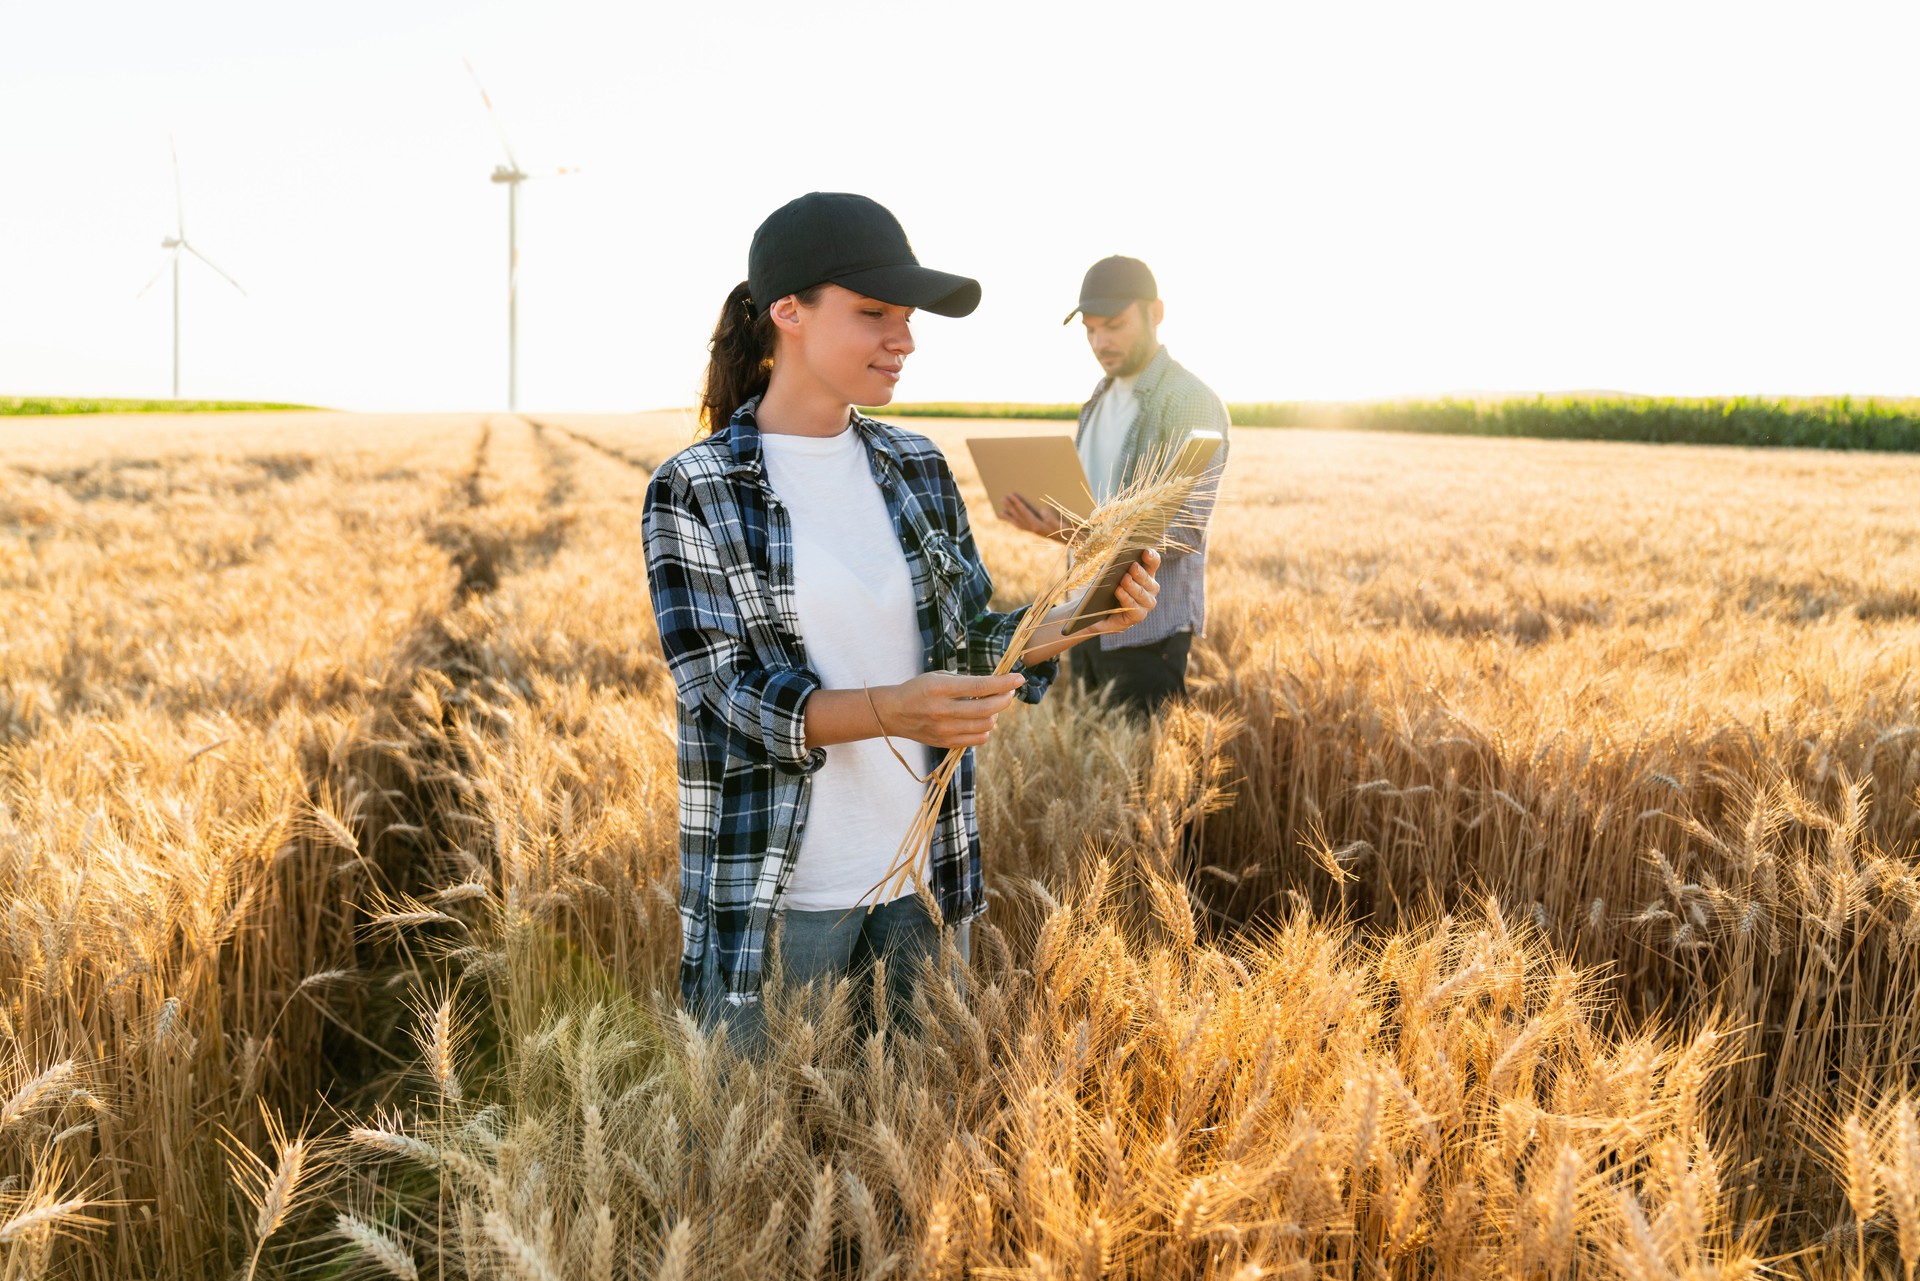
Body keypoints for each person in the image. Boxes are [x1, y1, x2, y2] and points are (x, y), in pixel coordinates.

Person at [642, 193, 1162, 1050]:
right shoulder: (695, 487)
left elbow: (966, 644)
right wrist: (893, 710)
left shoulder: (915, 464)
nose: (905, 339)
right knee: (766, 1165)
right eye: (874, 313)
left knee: (916, 1165)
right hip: (782, 896)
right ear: (789, 314)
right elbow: (724, 696)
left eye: (909, 318)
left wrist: (1080, 614)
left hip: (925, 878)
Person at [997, 255, 1229, 717]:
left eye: (1115, 326)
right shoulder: (1096, 401)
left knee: (1144, 781)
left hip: (1145, 632)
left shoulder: (1189, 402)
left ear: (1155, 314)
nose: (1100, 342)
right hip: (1079, 622)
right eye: (1090, 329)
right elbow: (1088, 507)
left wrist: (1069, 532)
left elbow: (1180, 531)